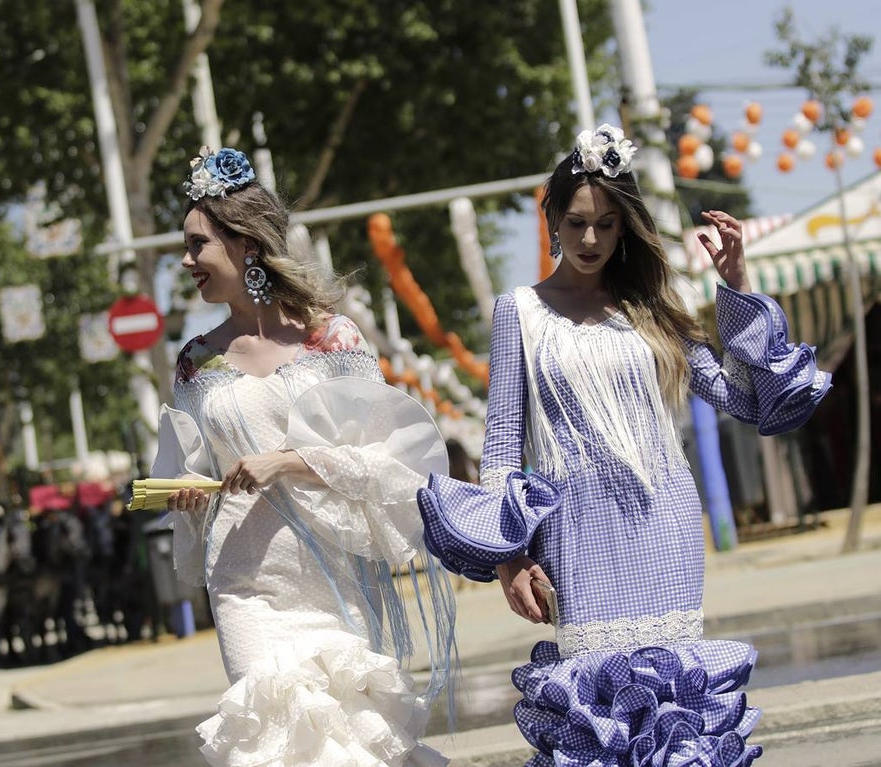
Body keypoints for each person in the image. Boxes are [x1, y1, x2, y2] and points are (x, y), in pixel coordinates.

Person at [424, 125, 830, 766]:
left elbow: (745, 401)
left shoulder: (654, 304)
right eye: (578, 221)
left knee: (676, 717)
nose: (591, 239)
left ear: (625, 228)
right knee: (597, 719)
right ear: (552, 218)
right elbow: (502, 445)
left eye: (608, 224)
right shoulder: (519, 310)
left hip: (664, 523)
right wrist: (508, 558)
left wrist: (738, 285)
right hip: (577, 534)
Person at [155, 147, 457, 766]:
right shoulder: (194, 361)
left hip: (333, 578)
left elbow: (386, 460)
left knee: (348, 744)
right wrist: (186, 493)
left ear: (245, 245)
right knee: (273, 743)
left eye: (197, 246)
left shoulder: (333, 339)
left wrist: (286, 461)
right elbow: (195, 466)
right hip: (244, 583)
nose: (186, 262)